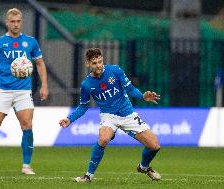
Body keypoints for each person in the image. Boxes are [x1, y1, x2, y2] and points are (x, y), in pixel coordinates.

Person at [59, 48, 161, 182]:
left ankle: (143, 166)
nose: (98, 65)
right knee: (103, 139)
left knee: (154, 146)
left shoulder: (115, 70)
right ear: (88, 64)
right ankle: (88, 176)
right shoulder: (86, 84)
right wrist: (69, 119)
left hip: (127, 114)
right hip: (108, 116)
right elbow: (84, 106)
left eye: (100, 61)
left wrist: (142, 96)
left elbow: (130, 89)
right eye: (94, 63)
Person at [0, 8, 48, 175]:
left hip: (23, 91)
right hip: (3, 90)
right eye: (13, 21)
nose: (16, 24)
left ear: (21, 22)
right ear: (7, 22)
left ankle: (26, 165)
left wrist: (44, 85)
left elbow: (39, 63)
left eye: (18, 21)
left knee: (27, 125)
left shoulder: (30, 42)